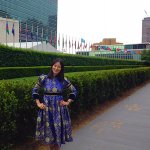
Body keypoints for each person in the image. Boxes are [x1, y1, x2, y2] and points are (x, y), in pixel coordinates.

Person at [32, 58, 77, 150]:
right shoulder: (43, 78)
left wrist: (67, 102)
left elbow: (74, 91)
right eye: (55, 66)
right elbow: (35, 90)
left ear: (61, 69)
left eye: (59, 67)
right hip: (47, 110)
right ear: (52, 66)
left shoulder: (64, 80)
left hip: (59, 111)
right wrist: (38, 103)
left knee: (57, 136)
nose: (56, 68)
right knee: (49, 133)